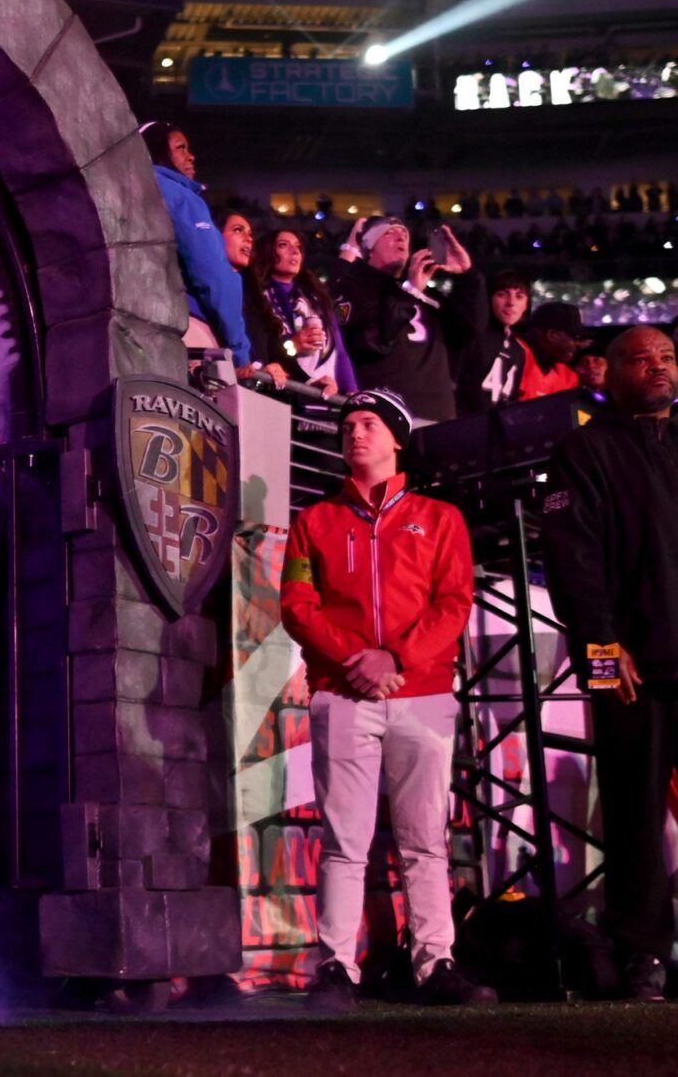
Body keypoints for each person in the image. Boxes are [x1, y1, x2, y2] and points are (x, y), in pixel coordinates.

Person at [280, 390, 493, 1009]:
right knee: (345, 838)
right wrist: (358, 660)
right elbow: (296, 606)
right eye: (347, 425)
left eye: (369, 424)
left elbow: (454, 603)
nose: (355, 433)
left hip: (420, 691)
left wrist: (394, 658)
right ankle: (337, 968)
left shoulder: (441, 516)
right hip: (344, 693)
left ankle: (436, 964)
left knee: (424, 838)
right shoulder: (312, 521)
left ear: (397, 437)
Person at [540, 327, 678, 1000]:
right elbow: (572, 560)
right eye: (640, 358)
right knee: (631, 808)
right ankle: (642, 952)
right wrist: (600, 642)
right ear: (611, 372)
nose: (657, 367)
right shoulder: (582, 448)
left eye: (667, 357)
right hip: (618, 658)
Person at [141, 123, 276, 387]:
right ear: (157, 152)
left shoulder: (129, 191)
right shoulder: (178, 195)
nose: (191, 156)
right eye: (181, 148)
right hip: (185, 331)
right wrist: (239, 351)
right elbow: (212, 275)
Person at [335, 216, 484, 423]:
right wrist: (410, 293)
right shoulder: (353, 289)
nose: (401, 236)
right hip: (386, 417)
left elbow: (469, 331)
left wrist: (467, 277)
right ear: (369, 247)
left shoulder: (425, 292)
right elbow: (370, 342)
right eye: (389, 233)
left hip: (439, 415)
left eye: (404, 233)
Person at [248, 226, 356, 397]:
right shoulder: (256, 296)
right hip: (282, 394)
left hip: (326, 392)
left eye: (298, 247)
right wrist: (293, 346)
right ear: (267, 252)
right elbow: (261, 351)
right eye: (284, 245)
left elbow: (339, 352)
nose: (294, 251)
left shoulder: (317, 297)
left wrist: (352, 391)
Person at [219, 212, 292, 389]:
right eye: (238, 230)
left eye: (251, 234)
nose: (248, 239)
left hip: (256, 398)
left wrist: (312, 381)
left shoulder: (256, 300)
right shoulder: (202, 290)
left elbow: (276, 353)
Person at [453, 270, 534, 413]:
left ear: (526, 305)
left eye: (519, 296)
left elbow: (511, 398)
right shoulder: (474, 335)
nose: (511, 303)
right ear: (489, 299)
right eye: (502, 295)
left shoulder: (519, 351)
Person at [518, 302, 591, 400]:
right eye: (575, 337)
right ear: (552, 335)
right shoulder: (514, 358)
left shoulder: (568, 377)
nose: (580, 345)